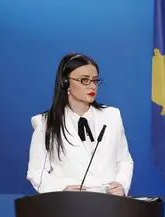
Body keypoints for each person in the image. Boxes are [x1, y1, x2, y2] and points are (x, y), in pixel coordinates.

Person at [27, 53, 133, 196]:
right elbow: (36, 172)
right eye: (84, 80)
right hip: (70, 205)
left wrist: (121, 185)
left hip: (110, 202)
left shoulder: (112, 116)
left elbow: (124, 160)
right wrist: (61, 190)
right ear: (65, 83)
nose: (92, 86)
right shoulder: (46, 123)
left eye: (95, 80)